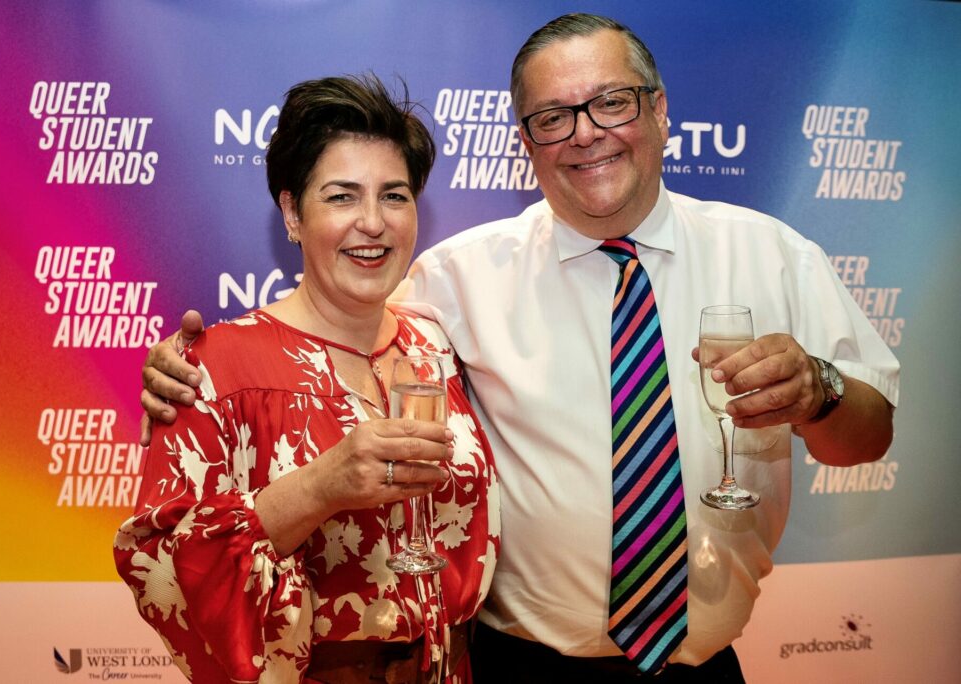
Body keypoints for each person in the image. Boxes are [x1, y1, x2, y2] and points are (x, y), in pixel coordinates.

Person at [139, 14, 898, 683]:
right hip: (516, 666)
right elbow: (324, 331)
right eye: (552, 117)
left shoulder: (773, 254)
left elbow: (870, 435)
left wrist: (821, 390)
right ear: (525, 140)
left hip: (700, 666)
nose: (585, 132)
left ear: (660, 110)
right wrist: (179, 370)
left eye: (611, 102)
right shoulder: (452, 280)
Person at [115, 74, 499, 684]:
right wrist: (321, 487)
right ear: (292, 213)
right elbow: (169, 571)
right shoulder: (212, 368)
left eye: (394, 196)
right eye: (342, 197)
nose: (373, 222)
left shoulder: (439, 347)